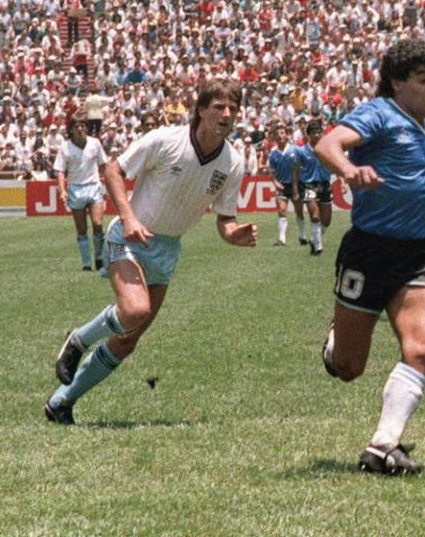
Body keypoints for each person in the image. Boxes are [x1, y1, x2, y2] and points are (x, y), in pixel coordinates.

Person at [46, 78, 257, 425]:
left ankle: (61, 402)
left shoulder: (232, 163)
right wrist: (127, 217)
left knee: (128, 340)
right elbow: (113, 169)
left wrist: (233, 234)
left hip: (168, 249)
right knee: (135, 309)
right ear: (201, 110)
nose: (227, 114)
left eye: (233, 108)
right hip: (130, 238)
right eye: (219, 106)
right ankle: (79, 340)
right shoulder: (165, 139)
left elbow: (225, 218)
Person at [314, 40, 425, 475]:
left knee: (424, 345)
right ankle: (336, 343)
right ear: (397, 83)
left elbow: (415, 184)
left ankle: (382, 446)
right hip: (369, 251)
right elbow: (328, 144)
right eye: (424, 81)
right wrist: (348, 169)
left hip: (416, 254)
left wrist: (423, 223)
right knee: (350, 368)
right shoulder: (379, 113)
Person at [54, 110, 108, 272]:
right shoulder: (65, 148)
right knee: (82, 229)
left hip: (93, 186)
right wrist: (62, 190)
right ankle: (86, 263)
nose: (80, 129)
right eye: (77, 126)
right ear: (71, 130)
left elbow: (103, 166)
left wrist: (110, 186)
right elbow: (60, 171)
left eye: (83, 126)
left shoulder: (95, 143)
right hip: (76, 189)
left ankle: (99, 258)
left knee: (98, 224)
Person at [293, 118, 332, 255]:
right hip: (309, 185)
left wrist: (343, 181)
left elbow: (334, 165)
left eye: (318, 132)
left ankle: (314, 239)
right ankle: (318, 249)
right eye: (313, 132)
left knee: (326, 221)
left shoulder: (327, 149)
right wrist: (295, 190)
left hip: (325, 185)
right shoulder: (302, 151)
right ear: (308, 134)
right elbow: (296, 171)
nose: (316, 134)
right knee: (315, 216)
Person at [266, 121, 307, 246]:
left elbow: (304, 165)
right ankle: (281, 239)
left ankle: (302, 235)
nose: (280, 135)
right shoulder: (273, 154)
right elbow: (271, 171)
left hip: (296, 185)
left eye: (282, 133)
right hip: (282, 186)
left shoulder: (296, 150)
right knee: (282, 210)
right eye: (277, 133)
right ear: (273, 137)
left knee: (299, 211)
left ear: (287, 135)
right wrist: (275, 182)